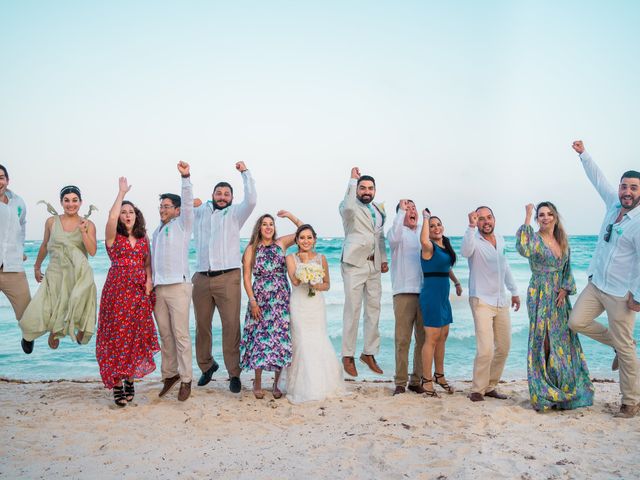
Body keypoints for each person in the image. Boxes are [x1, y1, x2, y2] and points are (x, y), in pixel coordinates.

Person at [569, 140, 640, 418]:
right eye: (624, 186)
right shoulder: (613, 204)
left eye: (633, 188)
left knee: (626, 351)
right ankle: (617, 344)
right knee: (576, 322)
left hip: (620, 295)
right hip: (596, 284)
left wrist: (638, 294)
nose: (627, 191)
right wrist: (584, 154)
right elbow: (598, 179)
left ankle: (631, 401)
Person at [516, 202, 594, 411]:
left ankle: (561, 386)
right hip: (539, 293)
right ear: (537, 219)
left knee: (563, 340)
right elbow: (523, 248)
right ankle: (544, 391)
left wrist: (565, 289)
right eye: (541, 215)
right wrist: (527, 215)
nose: (545, 218)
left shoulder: (562, 241)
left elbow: (567, 269)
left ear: (556, 217)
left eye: (549, 214)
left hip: (559, 297)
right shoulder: (534, 238)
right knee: (544, 340)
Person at [193, 161, 257, 393]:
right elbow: (186, 203)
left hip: (228, 276)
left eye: (226, 194)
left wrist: (245, 173)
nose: (222, 197)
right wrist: (187, 183)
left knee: (230, 325)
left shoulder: (235, 214)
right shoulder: (200, 212)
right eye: (218, 193)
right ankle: (207, 366)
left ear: (231, 197)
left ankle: (234, 374)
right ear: (212, 195)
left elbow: (251, 199)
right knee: (202, 325)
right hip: (201, 276)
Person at [96, 178, 159, 407]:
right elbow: (111, 217)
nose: (126, 215)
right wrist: (121, 193)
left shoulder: (143, 238)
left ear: (136, 215)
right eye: (123, 212)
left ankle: (130, 379)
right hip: (116, 290)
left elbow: (148, 264)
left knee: (134, 336)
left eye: (130, 211)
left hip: (138, 292)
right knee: (116, 336)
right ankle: (116, 384)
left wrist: (149, 280)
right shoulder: (114, 237)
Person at [19, 185, 97, 352]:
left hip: (78, 275)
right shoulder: (51, 222)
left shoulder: (87, 223)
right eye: (66, 200)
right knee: (41, 307)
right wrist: (37, 266)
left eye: (75, 200)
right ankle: (31, 334)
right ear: (61, 202)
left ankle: (61, 330)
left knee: (75, 303)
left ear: (81, 202)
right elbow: (45, 245)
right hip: (55, 273)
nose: (71, 204)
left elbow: (92, 251)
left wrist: (84, 232)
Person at [240, 211, 302, 399]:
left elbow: (305, 231)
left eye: (271, 224)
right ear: (259, 227)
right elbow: (246, 276)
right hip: (260, 299)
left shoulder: (281, 243)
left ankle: (276, 384)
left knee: (280, 340)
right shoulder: (252, 248)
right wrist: (252, 301)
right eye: (265, 224)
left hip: (281, 298)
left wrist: (290, 215)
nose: (268, 227)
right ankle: (257, 382)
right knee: (260, 340)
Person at [283, 224, 348, 403]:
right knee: (301, 341)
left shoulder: (322, 258)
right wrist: (305, 268)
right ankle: (300, 386)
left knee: (318, 339)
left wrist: (314, 284)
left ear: (315, 240)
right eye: (302, 237)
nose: (306, 241)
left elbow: (327, 284)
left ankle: (323, 384)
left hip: (315, 304)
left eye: (309, 237)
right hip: (298, 304)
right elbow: (295, 281)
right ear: (296, 240)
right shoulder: (290, 258)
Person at [461, 206, 520, 402]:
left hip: (500, 300)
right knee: (485, 348)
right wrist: (470, 226)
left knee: (504, 347)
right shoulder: (473, 240)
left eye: (489, 218)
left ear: (494, 219)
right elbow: (465, 251)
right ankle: (477, 389)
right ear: (476, 222)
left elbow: (505, 266)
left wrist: (514, 292)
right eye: (481, 219)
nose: (486, 222)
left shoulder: (501, 239)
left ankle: (490, 386)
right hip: (481, 300)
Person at [339, 167, 388, 377]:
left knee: (374, 310)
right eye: (362, 188)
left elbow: (380, 236)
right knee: (353, 309)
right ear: (357, 189)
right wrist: (351, 180)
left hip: (374, 265)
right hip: (354, 264)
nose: (366, 191)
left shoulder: (378, 209)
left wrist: (383, 259)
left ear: (375, 190)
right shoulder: (348, 205)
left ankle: (369, 353)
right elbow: (349, 206)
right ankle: (347, 355)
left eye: (370, 188)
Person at [152, 162, 195, 402]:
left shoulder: (183, 225)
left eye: (167, 206)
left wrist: (185, 177)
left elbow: (188, 202)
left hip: (179, 287)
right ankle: (170, 374)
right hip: (159, 288)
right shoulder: (157, 232)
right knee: (165, 335)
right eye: (161, 206)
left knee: (180, 335)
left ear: (177, 210)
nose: (162, 209)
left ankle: (186, 378)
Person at [418, 211, 462, 397]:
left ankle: (439, 376)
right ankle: (426, 381)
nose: (436, 228)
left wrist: (457, 282)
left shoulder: (444, 245)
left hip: (444, 295)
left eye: (438, 225)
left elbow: (447, 267)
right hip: (432, 295)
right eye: (432, 226)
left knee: (443, 335)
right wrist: (425, 219)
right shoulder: (428, 247)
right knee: (432, 338)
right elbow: (423, 240)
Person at [387, 199, 426, 395]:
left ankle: (416, 380)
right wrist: (400, 213)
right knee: (402, 339)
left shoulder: (422, 230)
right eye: (407, 208)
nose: (411, 211)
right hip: (403, 292)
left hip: (424, 291)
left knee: (423, 339)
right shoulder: (396, 232)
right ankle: (400, 382)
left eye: (413, 208)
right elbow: (393, 238)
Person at [0, 165, 31, 332]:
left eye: (1, 177)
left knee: (28, 315)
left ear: (7, 180)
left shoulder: (18, 202)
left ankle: (27, 337)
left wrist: (20, 249)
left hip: (13, 267)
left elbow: (22, 225)